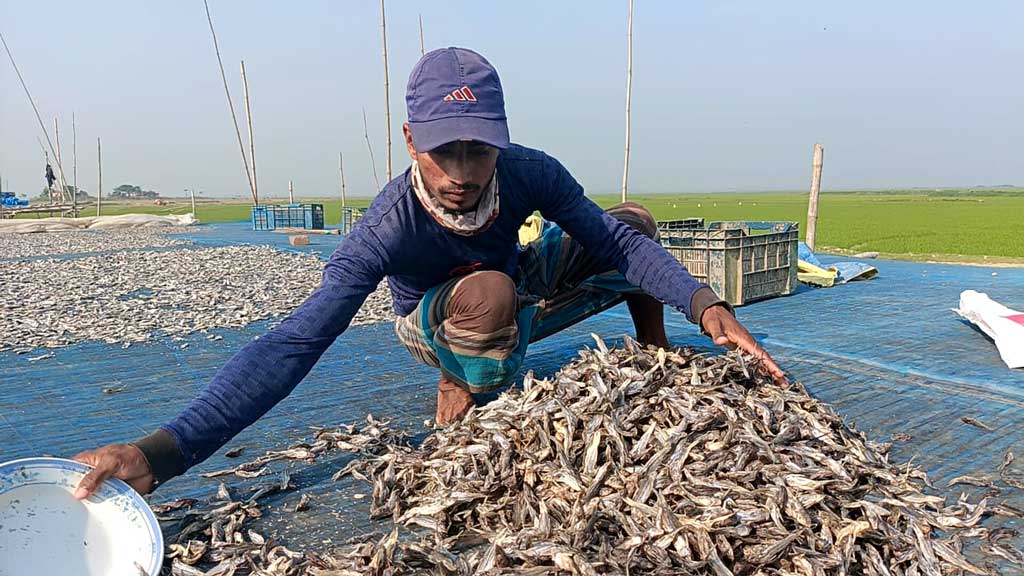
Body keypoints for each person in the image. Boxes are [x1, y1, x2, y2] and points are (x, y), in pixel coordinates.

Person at [72, 47, 784, 499]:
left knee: (631, 222)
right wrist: (162, 453)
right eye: (445, 153)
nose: (463, 175)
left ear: (501, 143)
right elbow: (292, 345)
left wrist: (705, 304)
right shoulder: (384, 229)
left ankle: (651, 351)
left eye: (480, 153)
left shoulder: (533, 172)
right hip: (431, 320)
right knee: (489, 295)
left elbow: (614, 245)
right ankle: (464, 382)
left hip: (512, 285)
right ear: (412, 141)